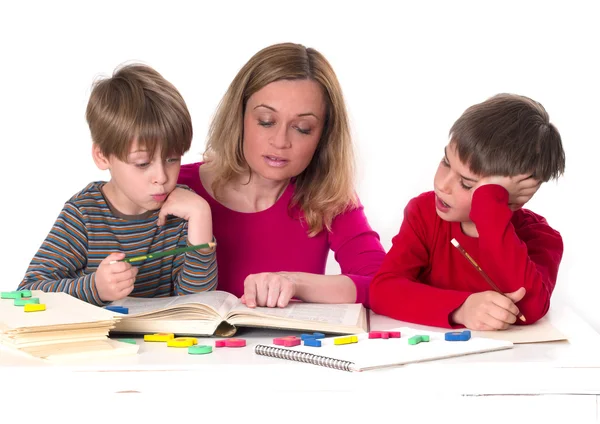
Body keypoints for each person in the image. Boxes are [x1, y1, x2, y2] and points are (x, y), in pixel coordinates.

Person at [178, 42, 385, 308]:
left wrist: (295, 282)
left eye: (302, 128)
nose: (280, 141)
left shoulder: (328, 196)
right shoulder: (176, 187)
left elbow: (383, 284)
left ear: (324, 135)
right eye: (266, 121)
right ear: (238, 117)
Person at [19, 64, 217, 305]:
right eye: (142, 163)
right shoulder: (84, 213)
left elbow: (197, 306)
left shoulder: (184, 209)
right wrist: (95, 288)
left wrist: (201, 219)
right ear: (103, 156)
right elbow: (27, 293)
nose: (161, 177)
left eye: (172, 159)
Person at [370, 93, 566, 330]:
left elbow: (530, 309)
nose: (442, 185)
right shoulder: (424, 214)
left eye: (467, 183)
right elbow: (383, 291)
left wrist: (490, 207)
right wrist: (461, 309)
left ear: (511, 197)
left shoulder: (541, 237)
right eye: (446, 161)